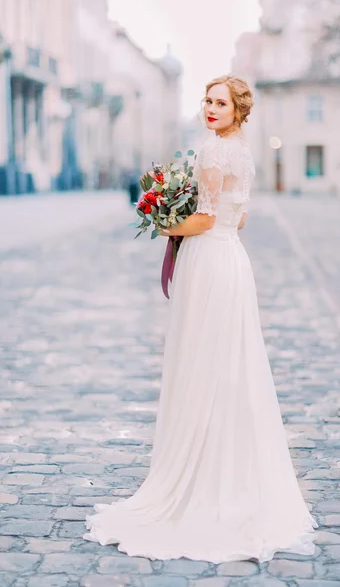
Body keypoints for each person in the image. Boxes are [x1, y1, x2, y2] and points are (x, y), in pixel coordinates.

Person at [83, 74, 318, 563]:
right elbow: (240, 217)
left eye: (220, 103)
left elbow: (206, 219)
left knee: (201, 364)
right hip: (232, 262)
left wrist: (160, 220)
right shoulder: (243, 152)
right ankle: (233, 473)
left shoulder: (214, 151)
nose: (210, 109)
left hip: (209, 260)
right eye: (207, 101)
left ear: (237, 110)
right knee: (229, 367)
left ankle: (201, 477)